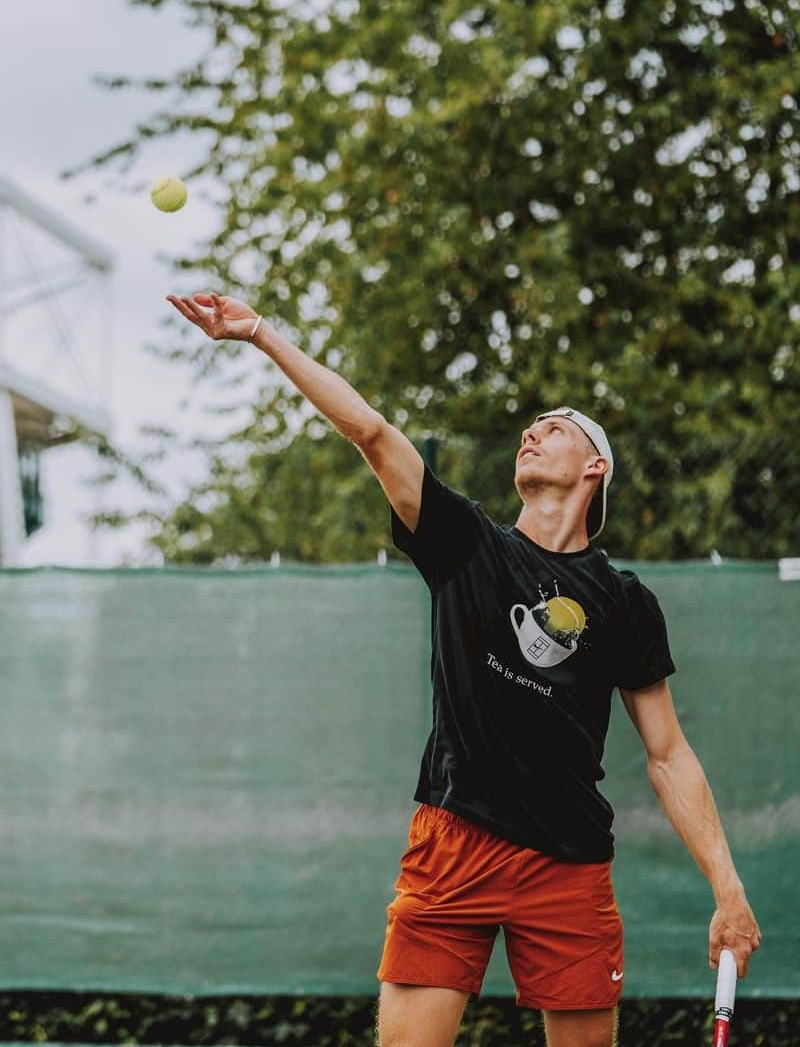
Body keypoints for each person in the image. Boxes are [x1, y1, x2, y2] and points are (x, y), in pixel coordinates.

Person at [165, 291, 761, 1047]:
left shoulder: (623, 601)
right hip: (454, 844)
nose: (532, 433)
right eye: (530, 427)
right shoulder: (465, 544)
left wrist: (727, 887)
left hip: (569, 862)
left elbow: (668, 753)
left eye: (556, 429)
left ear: (596, 466)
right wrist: (259, 335)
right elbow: (372, 433)